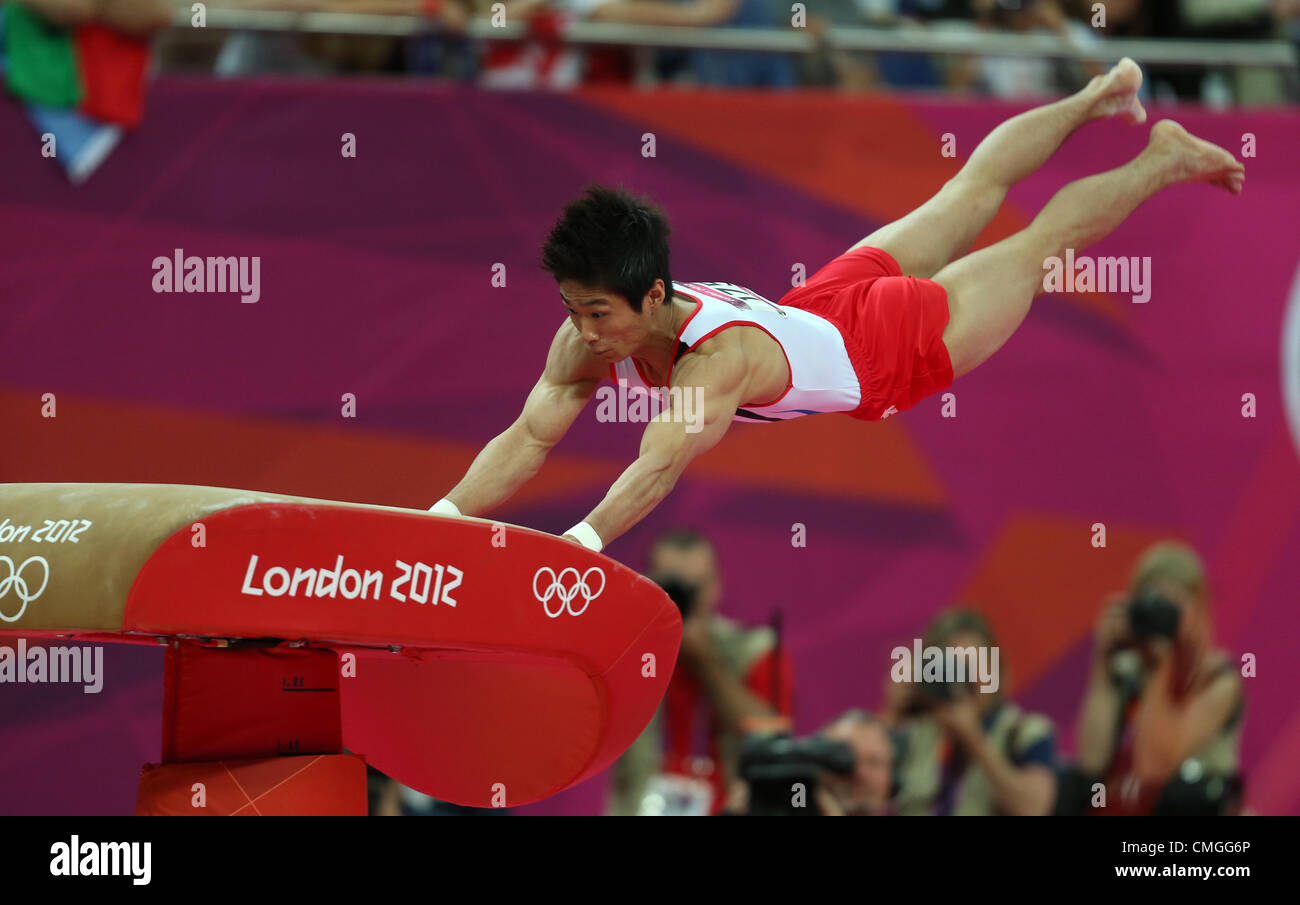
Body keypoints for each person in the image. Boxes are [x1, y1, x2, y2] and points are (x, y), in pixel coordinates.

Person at [427, 58, 1244, 554]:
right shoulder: (592, 339)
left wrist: (580, 545)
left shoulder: (718, 364)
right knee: (967, 190)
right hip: (822, 302)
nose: (583, 331)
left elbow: (657, 464)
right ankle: (1099, 96)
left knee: (1035, 251)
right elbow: (529, 435)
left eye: (598, 314)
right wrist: (446, 516)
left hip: (882, 345)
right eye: (572, 309)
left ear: (653, 293)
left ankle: (1159, 159)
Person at [606, 527, 794, 816]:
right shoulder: (622, 651)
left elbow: (770, 736)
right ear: (644, 582)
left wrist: (705, 660)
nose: (685, 600)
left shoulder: (754, 651)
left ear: (717, 585)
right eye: (673, 586)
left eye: (697, 587)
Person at [1071, 541, 1245, 816]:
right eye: (1155, 602)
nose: (1163, 615)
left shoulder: (1219, 681)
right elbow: (1091, 762)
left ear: (1200, 610)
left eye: (1174, 604)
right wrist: (1102, 663)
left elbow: (1154, 768)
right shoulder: (1129, 670)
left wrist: (1160, 666)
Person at [883, 609, 1058, 816]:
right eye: (953, 667)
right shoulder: (914, 734)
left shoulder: (1024, 733)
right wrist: (893, 714)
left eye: (975, 665)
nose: (966, 679)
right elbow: (861, 786)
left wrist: (974, 740)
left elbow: (1033, 808)